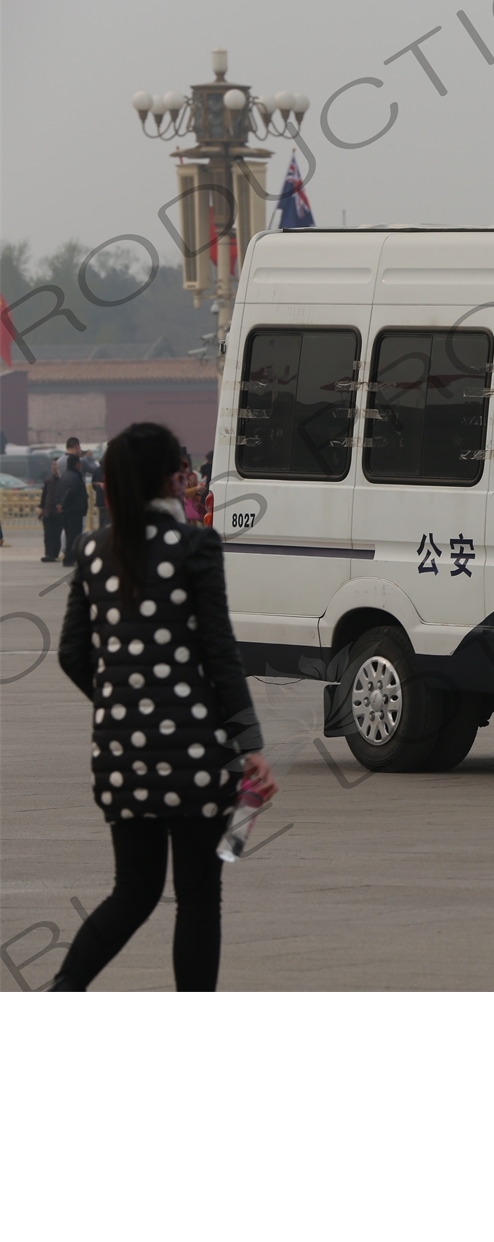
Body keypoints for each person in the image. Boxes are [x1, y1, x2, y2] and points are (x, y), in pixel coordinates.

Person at [48, 421, 278, 992]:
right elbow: (220, 652)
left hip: (122, 753)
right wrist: (249, 745)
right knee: (199, 896)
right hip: (197, 758)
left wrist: (122, 704)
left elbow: (73, 653)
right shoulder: (195, 545)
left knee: (134, 890)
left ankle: (63, 990)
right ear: (174, 478)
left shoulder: (93, 550)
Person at [58, 452, 90, 565]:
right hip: (74, 510)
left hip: (67, 511)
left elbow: (60, 491)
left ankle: (69, 556)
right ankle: (70, 558)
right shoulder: (75, 476)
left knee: (69, 534)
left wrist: (60, 504)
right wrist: (63, 503)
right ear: (76, 464)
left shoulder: (65, 475)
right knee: (74, 535)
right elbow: (70, 491)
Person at [39, 456, 64, 562]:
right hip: (48, 511)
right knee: (48, 534)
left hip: (58, 512)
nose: (54, 467)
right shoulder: (49, 481)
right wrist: (41, 508)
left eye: (56, 465)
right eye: (53, 465)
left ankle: (54, 553)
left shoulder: (64, 480)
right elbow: (44, 496)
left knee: (57, 534)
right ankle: (49, 553)